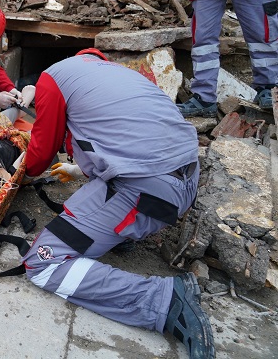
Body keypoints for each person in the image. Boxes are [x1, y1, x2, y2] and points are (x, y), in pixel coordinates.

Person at [22, 49, 214, 359]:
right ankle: (120, 234)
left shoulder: (51, 80)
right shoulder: (117, 74)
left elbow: (41, 154)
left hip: (151, 190)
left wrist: (19, 174)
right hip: (186, 177)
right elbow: (120, 135)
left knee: (43, 262)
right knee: (98, 200)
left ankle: (164, 300)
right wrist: (78, 169)